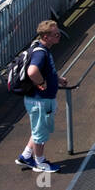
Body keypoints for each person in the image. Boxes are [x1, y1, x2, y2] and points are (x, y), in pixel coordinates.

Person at [16, 20, 67, 173]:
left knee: (38, 129)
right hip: (40, 100)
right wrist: (42, 83)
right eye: (55, 34)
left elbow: (45, 70)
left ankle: (26, 156)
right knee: (40, 134)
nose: (59, 36)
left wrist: (57, 79)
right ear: (46, 37)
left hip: (39, 99)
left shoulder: (40, 48)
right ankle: (40, 162)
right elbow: (32, 71)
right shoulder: (40, 53)